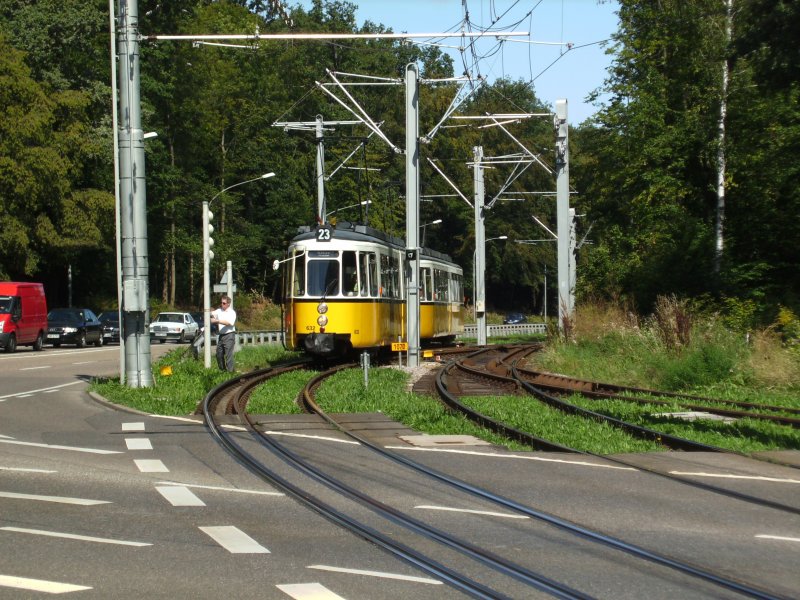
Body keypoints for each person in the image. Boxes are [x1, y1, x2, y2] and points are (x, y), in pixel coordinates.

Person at [210, 295, 236, 372]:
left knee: (228, 354)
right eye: (221, 303)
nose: (222, 304)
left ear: (228, 304)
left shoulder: (231, 312)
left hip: (229, 335)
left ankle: (230, 372)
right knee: (219, 353)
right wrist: (209, 312)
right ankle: (222, 370)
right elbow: (211, 313)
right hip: (221, 335)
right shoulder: (219, 311)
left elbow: (229, 323)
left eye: (224, 303)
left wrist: (217, 321)